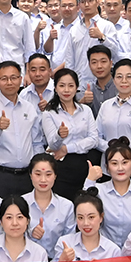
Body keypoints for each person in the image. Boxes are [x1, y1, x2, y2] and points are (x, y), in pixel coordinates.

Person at [0, 59, 41, 198]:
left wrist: (38, 168)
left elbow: (36, 142)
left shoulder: (29, 108)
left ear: (20, 79)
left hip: (27, 176)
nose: (9, 82)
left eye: (13, 78)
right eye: (4, 79)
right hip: (0, 175)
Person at [40, 69, 104, 198]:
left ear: (76, 88)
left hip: (85, 163)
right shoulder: (49, 113)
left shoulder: (86, 110)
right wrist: (59, 135)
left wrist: (67, 148)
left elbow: (93, 139)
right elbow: (53, 144)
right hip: (61, 166)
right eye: (62, 85)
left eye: (71, 86)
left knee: (86, 203)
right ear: (55, 88)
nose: (66, 90)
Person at [95, 59, 131, 179]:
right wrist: (113, 149)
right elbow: (96, 137)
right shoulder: (106, 106)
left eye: (129, 76)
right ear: (113, 79)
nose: (124, 81)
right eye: (119, 76)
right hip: (109, 169)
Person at [21, 155, 73, 259]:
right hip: (26, 261)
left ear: (55, 176)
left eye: (48, 174)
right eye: (38, 174)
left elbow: (69, 240)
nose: (43, 180)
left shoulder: (66, 206)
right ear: (30, 175)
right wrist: (30, 234)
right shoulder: (20, 203)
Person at [56, 194, 125, 261]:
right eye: (80, 218)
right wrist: (62, 261)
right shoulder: (65, 243)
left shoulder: (112, 251)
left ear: (101, 217)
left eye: (91, 217)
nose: (86, 223)